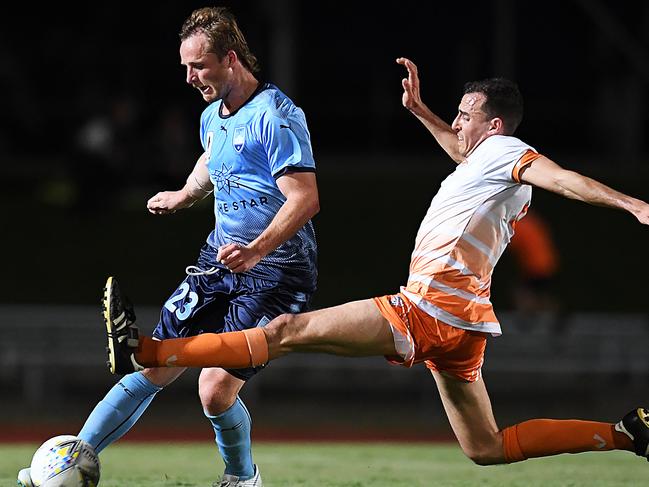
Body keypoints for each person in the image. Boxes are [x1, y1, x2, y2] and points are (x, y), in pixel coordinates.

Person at [105, 57, 649, 475]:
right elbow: (463, 152)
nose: (456, 123)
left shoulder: (509, 152)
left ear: (497, 124)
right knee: (486, 447)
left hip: (428, 309)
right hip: (463, 326)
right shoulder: (486, 161)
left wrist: (632, 204)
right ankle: (626, 434)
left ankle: (149, 352)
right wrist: (423, 113)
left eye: (465, 115)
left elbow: (560, 178)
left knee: (285, 331)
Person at [18, 6, 319, 487]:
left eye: (198, 65)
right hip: (218, 261)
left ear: (232, 59)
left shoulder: (277, 117)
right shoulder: (211, 115)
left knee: (215, 390)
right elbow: (212, 156)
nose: (189, 76)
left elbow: (305, 200)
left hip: (276, 272)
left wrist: (257, 249)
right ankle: (66, 464)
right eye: (185, 66)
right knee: (152, 361)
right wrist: (185, 193)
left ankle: (243, 479)